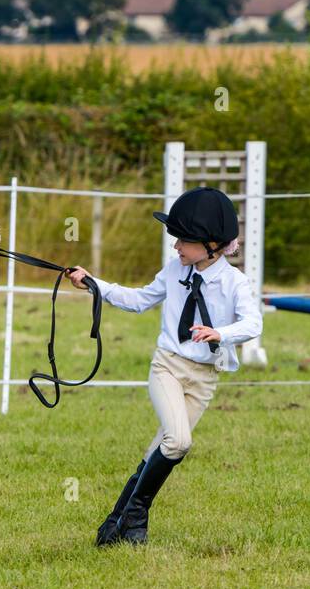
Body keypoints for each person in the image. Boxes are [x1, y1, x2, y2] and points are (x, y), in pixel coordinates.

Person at [67, 187, 263, 546]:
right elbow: (139, 300)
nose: (176, 247)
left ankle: (117, 526)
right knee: (178, 440)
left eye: (183, 241)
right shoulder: (174, 271)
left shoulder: (236, 282)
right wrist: (95, 284)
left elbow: (253, 324)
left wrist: (221, 332)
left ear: (212, 244)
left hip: (204, 379)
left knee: (160, 448)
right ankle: (137, 519)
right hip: (168, 368)